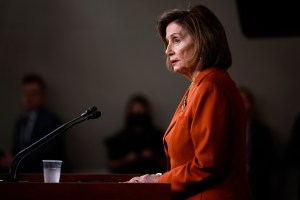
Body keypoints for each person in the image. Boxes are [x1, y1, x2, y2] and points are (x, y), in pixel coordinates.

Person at [126, 4, 252, 200]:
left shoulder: (211, 86)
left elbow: (207, 165)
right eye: (167, 43)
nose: (168, 51)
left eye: (176, 40)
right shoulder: (199, 86)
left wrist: (158, 182)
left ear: (203, 41)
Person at [11, 73, 68, 173]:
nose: (28, 98)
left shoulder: (51, 120)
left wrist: (16, 161)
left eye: (33, 94)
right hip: (22, 172)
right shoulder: (20, 122)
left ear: (42, 96)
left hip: (44, 172)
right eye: (25, 93)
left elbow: (49, 152)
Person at [104, 94, 166, 174]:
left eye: (141, 109)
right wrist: (126, 159)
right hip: (126, 181)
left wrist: (153, 157)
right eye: (135, 110)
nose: (138, 112)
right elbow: (111, 164)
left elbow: (168, 163)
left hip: (152, 181)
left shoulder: (159, 136)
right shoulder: (120, 138)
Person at [239, 86, 277, 200]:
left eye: (245, 100)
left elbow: (270, 160)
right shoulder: (225, 129)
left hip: (258, 186)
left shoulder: (263, 131)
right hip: (232, 186)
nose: (242, 104)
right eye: (239, 99)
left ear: (251, 104)